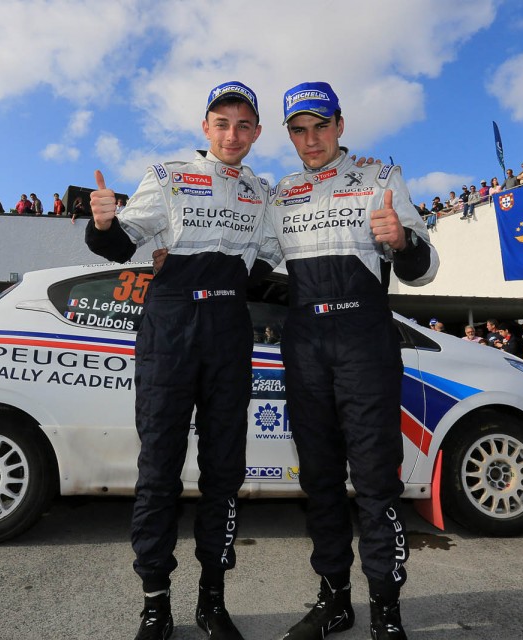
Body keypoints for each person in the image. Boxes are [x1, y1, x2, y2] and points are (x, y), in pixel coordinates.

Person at [249, 81, 438, 640]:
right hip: (305, 343)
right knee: (321, 480)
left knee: (376, 482)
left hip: (364, 340)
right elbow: (253, 266)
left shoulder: (380, 177)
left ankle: (386, 609)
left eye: (320, 127)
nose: (311, 140)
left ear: (340, 125)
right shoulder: (280, 193)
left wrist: (401, 242)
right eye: (299, 131)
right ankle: (334, 599)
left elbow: (424, 269)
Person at [85, 81, 270, 640]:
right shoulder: (167, 174)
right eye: (221, 123)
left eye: (243, 125)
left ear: (256, 133)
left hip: (228, 330)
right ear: (205, 127)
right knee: (159, 469)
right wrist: (102, 223)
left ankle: (212, 602)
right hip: (169, 329)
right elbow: (121, 245)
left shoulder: (264, 191)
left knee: (224, 472)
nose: (232, 134)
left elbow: (274, 266)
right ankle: (155, 603)